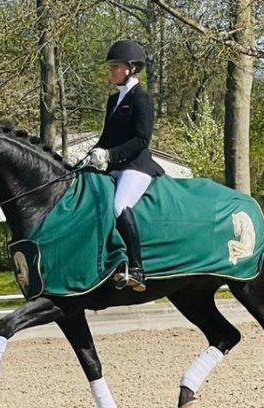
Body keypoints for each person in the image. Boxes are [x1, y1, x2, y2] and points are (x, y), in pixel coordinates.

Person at [88, 40, 165, 292]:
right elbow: (106, 136)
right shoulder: (114, 100)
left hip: (136, 166)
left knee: (119, 205)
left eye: (115, 66)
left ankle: (137, 268)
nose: (111, 71)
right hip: (114, 166)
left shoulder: (142, 99)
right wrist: (93, 154)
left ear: (131, 68)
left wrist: (109, 155)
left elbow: (141, 139)